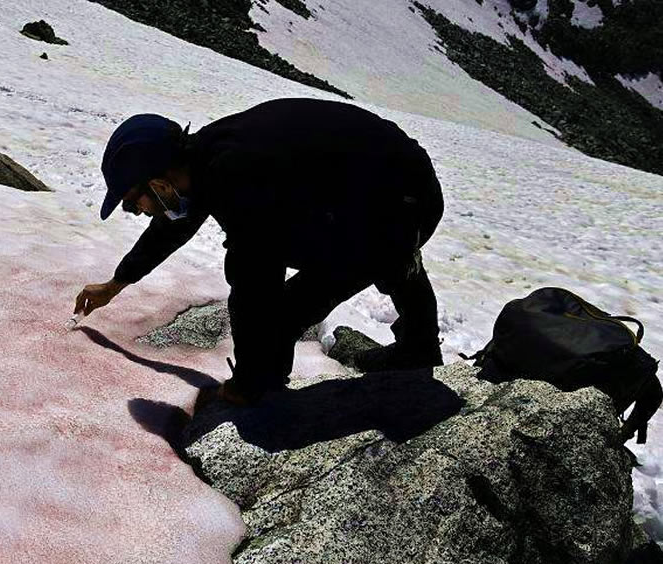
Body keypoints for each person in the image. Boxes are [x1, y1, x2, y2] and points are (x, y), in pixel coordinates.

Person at [74, 98, 445, 405]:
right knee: (321, 245)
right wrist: (115, 284)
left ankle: (414, 345)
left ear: (158, 184)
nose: (137, 211)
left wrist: (249, 382)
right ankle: (418, 339)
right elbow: (173, 228)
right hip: (394, 184)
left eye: (131, 202)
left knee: (278, 302)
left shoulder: (237, 176)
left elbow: (255, 278)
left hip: (404, 201)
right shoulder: (203, 158)